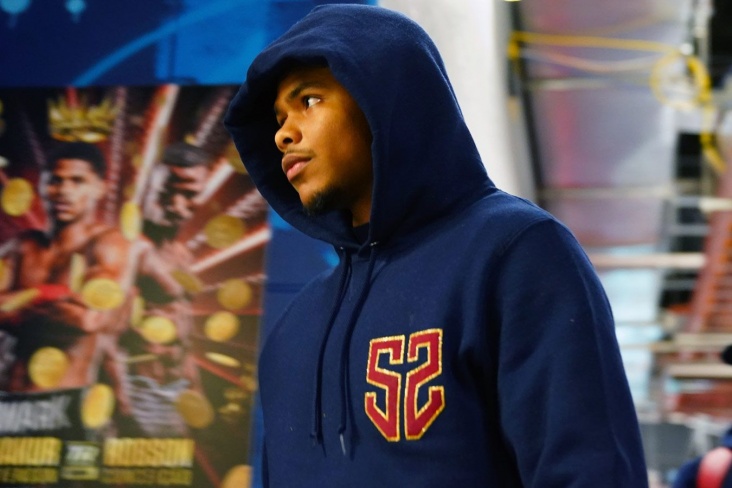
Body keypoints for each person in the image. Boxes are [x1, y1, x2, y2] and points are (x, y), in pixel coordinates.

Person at [224, 4, 648, 487]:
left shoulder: (516, 253)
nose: (284, 133)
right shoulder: (293, 331)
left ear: (383, 97)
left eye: (310, 100)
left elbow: (589, 471)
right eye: (279, 117)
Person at [0, 142, 133, 399]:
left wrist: (16, 304)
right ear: (42, 186)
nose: (64, 191)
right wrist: (54, 294)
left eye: (77, 181)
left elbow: (88, 318)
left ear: (100, 188)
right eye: (55, 180)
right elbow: (69, 311)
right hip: (6, 395)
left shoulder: (107, 243)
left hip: (62, 399)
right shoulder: (22, 245)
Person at [119, 141, 211, 436]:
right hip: (138, 390)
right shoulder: (130, 249)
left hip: (177, 389)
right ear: (150, 187)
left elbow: (183, 328)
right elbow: (102, 334)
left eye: (190, 194)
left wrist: (195, 389)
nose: (176, 204)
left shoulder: (182, 254)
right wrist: (122, 402)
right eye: (167, 191)